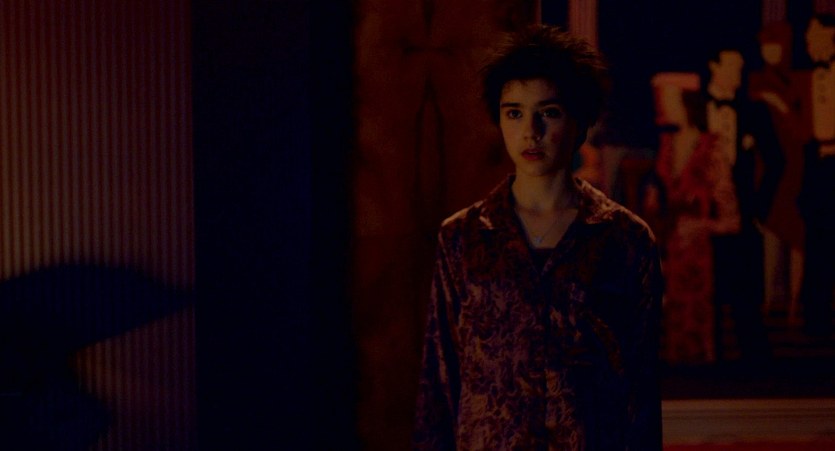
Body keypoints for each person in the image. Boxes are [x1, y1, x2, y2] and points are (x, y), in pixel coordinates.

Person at [413, 25, 663, 450]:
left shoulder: (625, 239)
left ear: (579, 122)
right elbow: (439, 384)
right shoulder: (462, 237)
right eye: (514, 113)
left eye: (549, 112)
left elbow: (641, 391)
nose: (531, 131)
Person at [651, 73, 740, 365]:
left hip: (702, 254)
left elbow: (732, 219)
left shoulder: (711, 148)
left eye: (668, 99)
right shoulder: (667, 147)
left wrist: (700, 227)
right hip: (671, 250)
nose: (662, 106)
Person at [704, 47, 781, 363]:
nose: (738, 74)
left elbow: (776, 161)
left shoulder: (753, 111)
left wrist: (758, 208)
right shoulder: (695, 107)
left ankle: (753, 360)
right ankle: (708, 355)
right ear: (714, 66)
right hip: (704, 211)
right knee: (707, 286)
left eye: (740, 67)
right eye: (732, 67)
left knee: (745, 289)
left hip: (742, 215)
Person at [797, 14, 835, 338]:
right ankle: (816, 317)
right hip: (816, 166)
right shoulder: (810, 77)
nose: (808, 44)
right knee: (817, 240)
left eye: (814, 37)